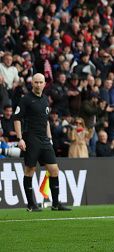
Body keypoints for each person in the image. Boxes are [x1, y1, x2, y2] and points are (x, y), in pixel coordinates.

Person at [13, 73, 71, 211]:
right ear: (32, 83)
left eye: (41, 82)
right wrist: (19, 139)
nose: (38, 84)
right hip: (31, 139)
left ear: (45, 84)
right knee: (30, 170)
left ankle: (56, 204)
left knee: (54, 170)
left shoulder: (45, 99)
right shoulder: (26, 99)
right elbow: (16, 119)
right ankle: (31, 204)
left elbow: (46, 122)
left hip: (44, 140)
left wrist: (49, 138)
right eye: (36, 82)